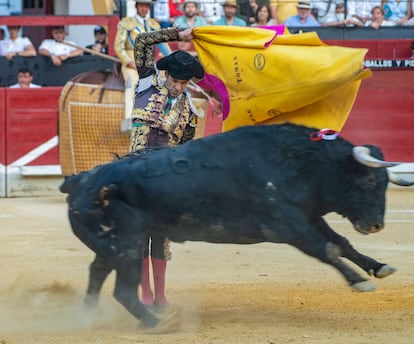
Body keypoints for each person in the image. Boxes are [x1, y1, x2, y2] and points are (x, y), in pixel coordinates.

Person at [131, 26, 204, 307]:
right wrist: (176, 34)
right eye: (176, 81)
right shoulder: (146, 83)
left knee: (160, 237)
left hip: (164, 178)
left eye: (185, 83)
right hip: (135, 173)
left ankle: (160, 295)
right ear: (166, 74)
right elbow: (142, 41)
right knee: (139, 234)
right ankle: (145, 295)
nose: (179, 87)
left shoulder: (190, 111)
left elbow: (185, 152)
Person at [114, 0, 171, 119]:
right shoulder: (127, 23)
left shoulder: (153, 24)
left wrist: (172, 58)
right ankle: (130, 118)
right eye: (141, 5)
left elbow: (163, 45)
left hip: (149, 61)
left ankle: (164, 116)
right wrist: (129, 62)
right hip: (131, 60)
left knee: (164, 81)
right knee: (132, 81)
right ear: (136, 6)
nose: (144, 9)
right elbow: (118, 46)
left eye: (146, 6)